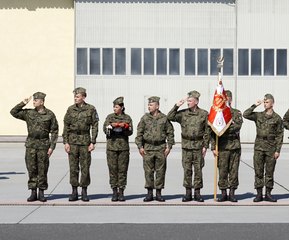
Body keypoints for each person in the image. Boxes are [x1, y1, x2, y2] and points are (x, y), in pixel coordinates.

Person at [10, 92, 59, 202]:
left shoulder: (50, 114)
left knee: (42, 169)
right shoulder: (29, 113)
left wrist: (52, 147)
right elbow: (13, 112)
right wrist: (23, 103)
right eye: (33, 100)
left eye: (36, 100)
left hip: (43, 145)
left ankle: (41, 192)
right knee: (31, 168)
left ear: (42, 102)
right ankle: (33, 192)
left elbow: (55, 131)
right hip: (31, 145)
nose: (33, 102)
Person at [167, 91, 209, 202]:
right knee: (187, 170)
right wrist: (176, 106)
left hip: (198, 146)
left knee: (198, 170)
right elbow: (170, 117)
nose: (188, 103)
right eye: (188, 101)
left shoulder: (204, 114)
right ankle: (188, 193)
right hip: (186, 146)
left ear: (196, 102)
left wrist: (205, 146)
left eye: (190, 101)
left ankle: (197, 193)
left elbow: (207, 131)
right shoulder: (183, 113)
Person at [243, 94, 284, 202]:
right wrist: (254, 105)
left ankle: (268, 193)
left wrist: (277, 150)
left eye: (267, 102)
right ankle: (259, 194)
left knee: (269, 172)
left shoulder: (277, 118)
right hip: (259, 147)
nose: (265, 104)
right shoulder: (258, 115)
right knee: (258, 171)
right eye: (264, 102)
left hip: (271, 148)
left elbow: (280, 135)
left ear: (272, 104)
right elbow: (245, 114)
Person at [63, 87, 99, 202]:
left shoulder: (91, 109)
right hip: (73, 141)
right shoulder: (70, 109)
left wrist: (93, 141)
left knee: (85, 167)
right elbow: (66, 126)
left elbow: (95, 125)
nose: (75, 98)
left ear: (83, 97)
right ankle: (74, 191)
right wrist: (66, 142)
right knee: (73, 167)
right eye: (74, 96)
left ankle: (84, 191)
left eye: (77, 96)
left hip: (85, 141)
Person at [135, 96, 175, 202]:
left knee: (160, 171)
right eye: (148, 105)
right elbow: (139, 133)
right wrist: (140, 146)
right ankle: (149, 193)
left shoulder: (164, 118)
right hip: (148, 148)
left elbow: (170, 132)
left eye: (151, 105)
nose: (149, 107)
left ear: (157, 106)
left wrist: (169, 146)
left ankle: (158, 193)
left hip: (160, 148)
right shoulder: (144, 118)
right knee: (148, 171)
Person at [210, 90, 243, 202]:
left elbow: (237, 127)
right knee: (222, 171)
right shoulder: (218, 114)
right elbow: (213, 131)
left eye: (228, 98)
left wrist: (224, 127)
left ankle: (232, 193)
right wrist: (213, 147)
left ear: (231, 99)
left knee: (234, 171)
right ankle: (223, 193)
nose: (226, 100)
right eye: (224, 98)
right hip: (222, 146)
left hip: (234, 146)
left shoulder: (236, 112)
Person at [103, 97, 133, 201]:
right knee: (112, 170)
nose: (114, 109)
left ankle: (121, 191)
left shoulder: (127, 118)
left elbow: (130, 131)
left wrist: (124, 127)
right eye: (114, 107)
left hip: (123, 148)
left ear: (122, 107)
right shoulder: (110, 117)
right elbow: (104, 129)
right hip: (111, 147)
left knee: (122, 170)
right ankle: (114, 191)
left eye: (116, 107)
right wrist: (111, 126)